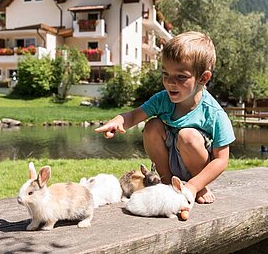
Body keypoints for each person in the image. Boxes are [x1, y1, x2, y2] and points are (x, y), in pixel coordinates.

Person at [95, 31, 235, 204]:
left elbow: (221, 160)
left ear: (203, 78)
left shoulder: (214, 113)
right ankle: (167, 181)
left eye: (180, 76)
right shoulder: (162, 99)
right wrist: (118, 121)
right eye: (165, 74)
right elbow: (134, 115)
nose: (170, 82)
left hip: (198, 170)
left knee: (187, 136)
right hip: (170, 163)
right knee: (152, 126)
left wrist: (194, 185)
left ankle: (199, 186)